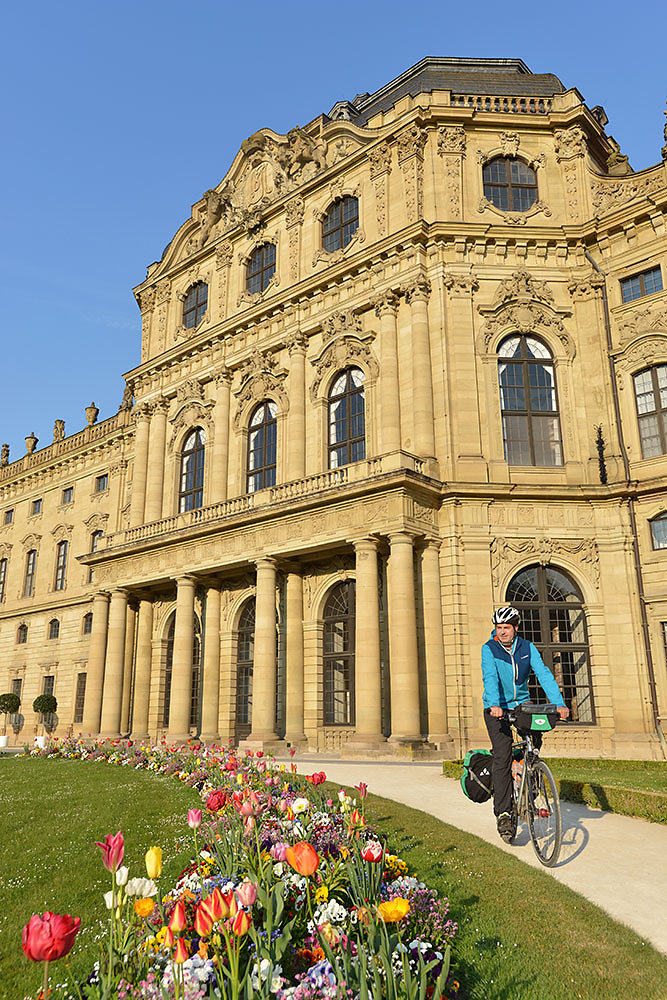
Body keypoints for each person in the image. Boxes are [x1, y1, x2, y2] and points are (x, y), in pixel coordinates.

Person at [481, 606, 569, 843]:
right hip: (496, 707)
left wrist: (559, 704)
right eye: (498, 628)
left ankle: (530, 776)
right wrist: (494, 704)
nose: (502, 633)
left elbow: (544, 675)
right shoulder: (489, 649)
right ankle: (504, 814)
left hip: (522, 705)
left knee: (534, 743)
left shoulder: (527, 648)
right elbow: (489, 677)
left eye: (506, 628)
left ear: (515, 628)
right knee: (502, 754)